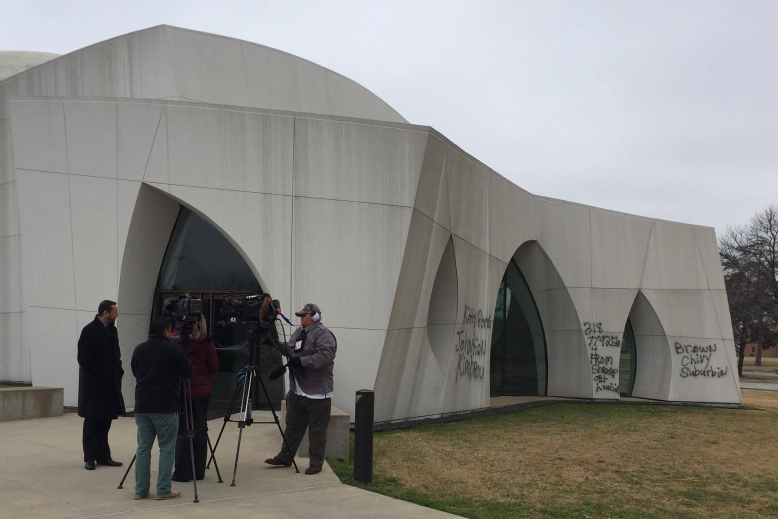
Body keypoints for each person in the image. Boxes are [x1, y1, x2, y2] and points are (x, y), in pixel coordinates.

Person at [265, 303, 337, 475]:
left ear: (314, 316)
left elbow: (325, 356)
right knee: (292, 426)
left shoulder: (324, 334)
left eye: (303, 315)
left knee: (317, 431)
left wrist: (302, 361)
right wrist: (275, 343)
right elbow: (291, 351)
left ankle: (316, 463)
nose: (300, 318)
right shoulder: (299, 332)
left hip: (317, 393)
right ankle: (285, 457)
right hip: (297, 390)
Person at [131, 319, 192, 500]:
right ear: (166, 331)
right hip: (165, 405)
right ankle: (163, 489)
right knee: (166, 448)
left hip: (142, 404)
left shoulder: (139, 349)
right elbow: (187, 372)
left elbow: (135, 371)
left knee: (143, 448)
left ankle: (141, 490)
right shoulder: (173, 349)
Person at [77, 299, 126, 471]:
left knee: (105, 422)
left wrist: (119, 372)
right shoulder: (89, 331)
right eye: (114, 312)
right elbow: (83, 359)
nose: (116, 314)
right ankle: (89, 458)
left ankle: (104, 456)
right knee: (92, 422)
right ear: (105, 313)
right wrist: (97, 377)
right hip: (94, 386)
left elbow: (116, 355)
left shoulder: (112, 330)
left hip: (110, 385)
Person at [172, 315, 219, 482]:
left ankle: (182, 472)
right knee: (199, 428)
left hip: (182, 390)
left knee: (183, 429)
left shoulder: (175, 340)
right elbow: (214, 366)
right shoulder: (205, 342)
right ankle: (198, 471)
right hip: (202, 391)